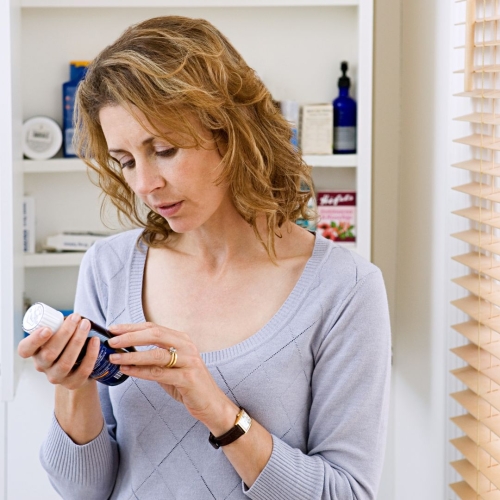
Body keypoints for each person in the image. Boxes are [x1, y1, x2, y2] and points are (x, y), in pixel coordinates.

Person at [18, 15, 391, 500]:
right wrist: (73, 387)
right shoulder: (108, 267)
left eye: (165, 149)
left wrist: (216, 408)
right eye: (127, 161)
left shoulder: (345, 288)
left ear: (231, 131)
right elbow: (85, 491)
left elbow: (348, 494)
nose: (144, 184)